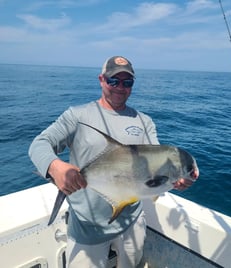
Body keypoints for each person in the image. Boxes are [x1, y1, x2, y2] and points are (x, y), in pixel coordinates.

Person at [29, 56, 195, 268]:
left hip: (131, 222)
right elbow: (39, 144)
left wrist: (177, 179)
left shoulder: (144, 122)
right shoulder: (77, 115)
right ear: (101, 79)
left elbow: (159, 161)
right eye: (114, 81)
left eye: (127, 82)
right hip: (87, 226)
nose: (120, 87)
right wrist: (55, 167)